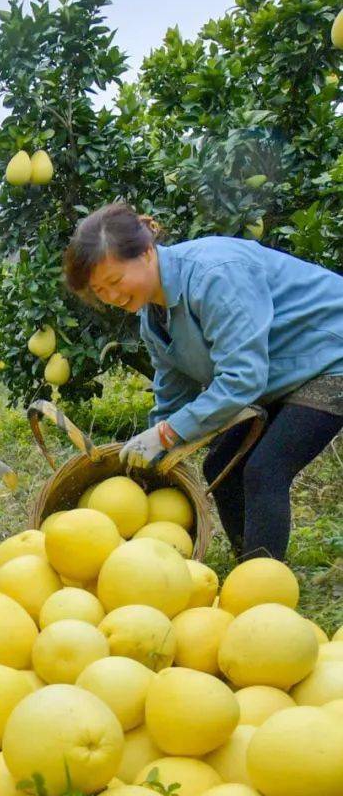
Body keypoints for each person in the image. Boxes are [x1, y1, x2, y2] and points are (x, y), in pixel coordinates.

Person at [62, 201, 343, 561]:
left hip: (330, 355)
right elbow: (172, 394)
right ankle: (248, 560)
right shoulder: (154, 319)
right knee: (220, 464)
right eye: (100, 291)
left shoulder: (214, 275)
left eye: (115, 281)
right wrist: (153, 447)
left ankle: (263, 581)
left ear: (146, 252)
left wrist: (168, 433)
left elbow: (243, 379)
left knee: (265, 469)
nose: (113, 296)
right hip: (281, 372)